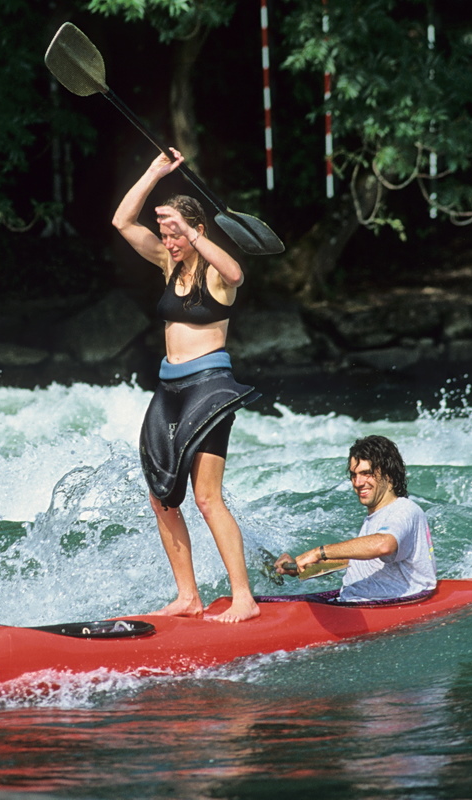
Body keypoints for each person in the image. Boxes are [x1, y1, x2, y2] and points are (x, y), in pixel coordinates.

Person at [113, 147, 261, 623]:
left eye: (173, 233)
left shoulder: (218, 273)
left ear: (195, 231)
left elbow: (238, 272)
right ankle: (187, 596)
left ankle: (244, 598)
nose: (167, 241)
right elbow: (122, 222)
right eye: (165, 234)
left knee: (205, 497)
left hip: (210, 388)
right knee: (161, 495)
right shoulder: (167, 264)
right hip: (169, 389)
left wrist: (194, 236)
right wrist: (154, 171)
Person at [274, 435, 436, 602]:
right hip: (353, 601)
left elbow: (383, 545)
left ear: (388, 474)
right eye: (353, 475)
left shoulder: (404, 509)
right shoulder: (376, 517)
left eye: (367, 473)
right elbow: (357, 562)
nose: (358, 482)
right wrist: (299, 566)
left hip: (388, 605)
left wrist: (318, 552)